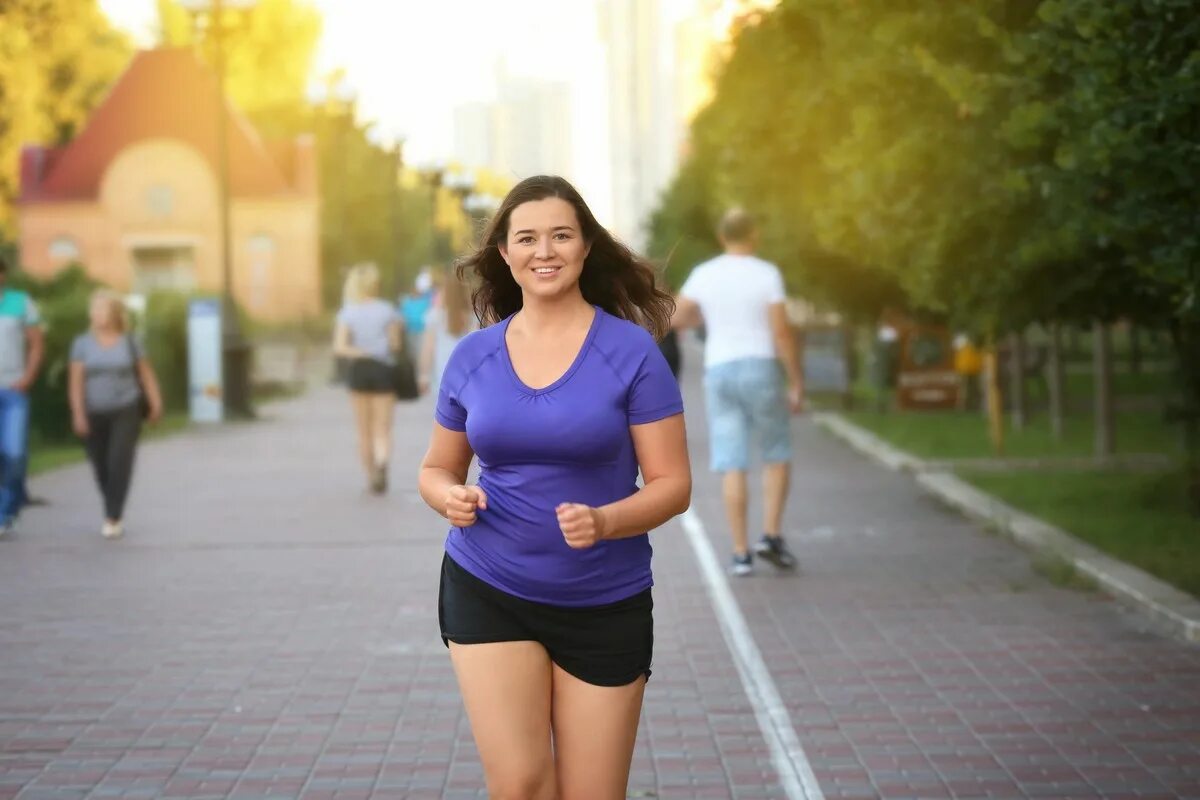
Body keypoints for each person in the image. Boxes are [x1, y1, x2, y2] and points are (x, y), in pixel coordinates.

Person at [417, 175, 691, 800]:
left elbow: (674, 485)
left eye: (561, 235)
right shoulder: (472, 357)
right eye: (528, 238)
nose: (546, 251)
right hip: (490, 586)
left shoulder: (632, 353)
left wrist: (605, 522)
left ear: (586, 247)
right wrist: (448, 498)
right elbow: (435, 469)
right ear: (506, 255)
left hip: (604, 599)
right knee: (519, 784)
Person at [671, 208, 804, 576]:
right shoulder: (767, 274)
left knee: (732, 461)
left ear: (721, 235)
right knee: (776, 451)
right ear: (755, 234)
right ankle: (772, 535)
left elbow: (676, 316)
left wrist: (706, 319)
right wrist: (795, 381)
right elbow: (780, 332)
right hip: (760, 365)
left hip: (720, 369)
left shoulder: (704, 274)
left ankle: (741, 552)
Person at [68, 290, 163, 540]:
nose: (98, 314)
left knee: (119, 461)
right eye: (94, 309)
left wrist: (156, 403)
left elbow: (145, 374)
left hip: (126, 409)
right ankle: (112, 505)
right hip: (93, 411)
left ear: (114, 313)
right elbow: (76, 382)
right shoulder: (82, 344)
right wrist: (78, 413)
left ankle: (112, 516)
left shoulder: (130, 341)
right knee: (101, 466)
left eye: (103, 308)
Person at [334, 263, 402, 494]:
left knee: (363, 430)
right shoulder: (387, 310)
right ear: (375, 285)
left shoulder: (348, 312)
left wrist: (361, 351)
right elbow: (395, 345)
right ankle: (382, 462)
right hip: (383, 370)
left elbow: (340, 347)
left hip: (359, 371)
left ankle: (372, 475)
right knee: (382, 428)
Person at [0, 256, 45, 536]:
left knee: (15, 454)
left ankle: (9, 508)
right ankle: (5, 513)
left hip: (13, 391)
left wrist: (28, 377)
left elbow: (37, 343)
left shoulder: (20, 302)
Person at [418, 266, 476, 396]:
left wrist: (424, 376)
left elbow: (428, 349)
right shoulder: (475, 317)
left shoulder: (435, 316)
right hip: (470, 379)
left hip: (443, 377)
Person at [399, 268, 435, 365]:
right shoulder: (406, 301)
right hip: (410, 331)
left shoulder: (426, 301)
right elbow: (402, 315)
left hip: (422, 331)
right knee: (412, 355)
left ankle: (421, 370)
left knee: (421, 353)